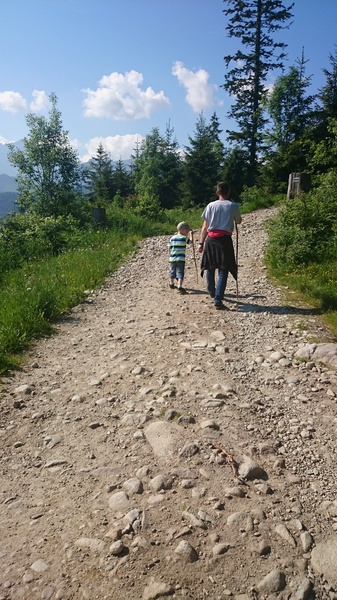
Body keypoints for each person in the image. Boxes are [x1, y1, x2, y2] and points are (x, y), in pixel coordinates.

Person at [197, 182, 241, 310]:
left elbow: (205, 226)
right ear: (228, 192)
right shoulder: (233, 205)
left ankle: (211, 290)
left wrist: (201, 243)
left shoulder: (210, 205)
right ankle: (218, 300)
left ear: (217, 193)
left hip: (210, 239)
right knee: (223, 270)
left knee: (210, 266)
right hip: (225, 240)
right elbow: (238, 221)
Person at [168, 221, 193, 294]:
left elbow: (169, 247)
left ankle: (171, 283)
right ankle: (179, 286)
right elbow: (191, 242)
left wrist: (170, 255)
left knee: (172, 271)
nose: (188, 232)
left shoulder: (172, 238)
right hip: (181, 259)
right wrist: (191, 235)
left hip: (172, 258)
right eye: (187, 230)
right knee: (180, 272)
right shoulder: (184, 238)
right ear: (182, 230)